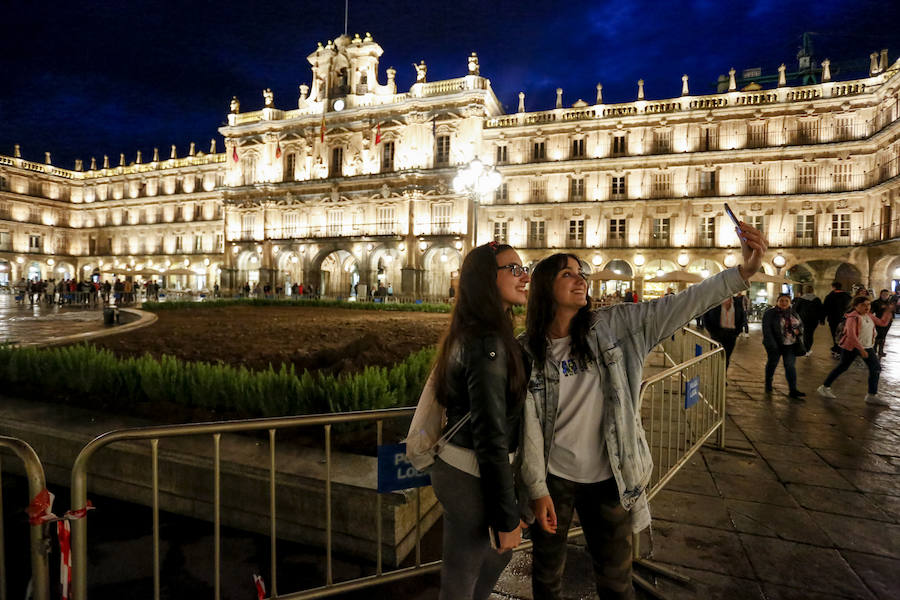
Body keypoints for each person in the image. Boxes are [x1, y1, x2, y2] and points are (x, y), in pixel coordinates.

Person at [519, 222, 767, 600]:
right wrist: (536, 488)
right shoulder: (527, 350)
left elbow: (682, 304)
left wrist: (742, 273)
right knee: (547, 573)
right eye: (567, 273)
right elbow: (530, 428)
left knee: (616, 577)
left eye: (580, 272)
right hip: (555, 478)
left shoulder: (617, 325)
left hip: (612, 477)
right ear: (543, 289)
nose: (580, 279)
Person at [430, 242, 531, 600]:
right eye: (514, 270)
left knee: (482, 567)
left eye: (524, 269)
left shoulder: (479, 331)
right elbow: (490, 431)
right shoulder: (487, 340)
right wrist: (505, 515)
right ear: (487, 279)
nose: (525, 277)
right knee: (463, 578)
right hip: (469, 471)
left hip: (467, 467)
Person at [818, 296, 893, 406]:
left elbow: (882, 323)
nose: (867, 307)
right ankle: (824, 387)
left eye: (868, 305)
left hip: (867, 347)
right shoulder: (852, 318)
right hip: (852, 347)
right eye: (863, 305)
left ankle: (871, 395)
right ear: (855, 306)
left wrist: (888, 312)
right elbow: (851, 336)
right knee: (842, 367)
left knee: (876, 368)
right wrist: (861, 349)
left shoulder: (869, 315)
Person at [762, 293, 806, 399]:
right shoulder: (770, 313)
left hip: (790, 344)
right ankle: (768, 382)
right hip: (775, 344)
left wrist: (798, 331)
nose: (784, 303)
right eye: (781, 300)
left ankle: (793, 389)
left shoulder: (793, 313)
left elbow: (801, 326)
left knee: (790, 366)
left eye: (786, 301)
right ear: (777, 301)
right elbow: (766, 330)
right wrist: (772, 345)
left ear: (790, 302)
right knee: (772, 364)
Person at [702, 295, 747, 368]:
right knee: (715, 358)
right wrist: (713, 333)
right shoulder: (715, 301)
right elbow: (706, 318)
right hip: (717, 335)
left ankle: (723, 377)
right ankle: (715, 377)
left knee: (726, 358)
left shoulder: (737, 302)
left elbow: (742, 318)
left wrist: (737, 332)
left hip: (731, 335)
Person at [792, 285, 824, 356]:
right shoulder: (817, 299)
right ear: (812, 290)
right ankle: (807, 349)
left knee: (805, 333)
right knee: (809, 334)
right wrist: (822, 320)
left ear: (804, 291)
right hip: (813, 320)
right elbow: (821, 310)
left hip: (803, 319)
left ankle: (805, 349)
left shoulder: (800, 299)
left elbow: (795, 309)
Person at [824, 282, 851, 358]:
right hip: (845, 319)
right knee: (843, 334)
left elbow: (825, 308)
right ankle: (840, 349)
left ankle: (837, 349)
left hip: (833, 319)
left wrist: (822, 318)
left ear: (833, 287)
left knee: (834, 334)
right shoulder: (847, 296)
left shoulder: (830, 296)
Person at [871, 289, 896, 357]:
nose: (885, 296)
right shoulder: (876, 302)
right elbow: (871, 312)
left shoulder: (890, 303)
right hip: (878, 321)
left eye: (887, 294)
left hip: (888, 322)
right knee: (878, 336)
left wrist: (892, 316)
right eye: (884, 294)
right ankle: (874, 350)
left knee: (883, 336)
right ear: (880, 295)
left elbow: (893, 311)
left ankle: (880, 351)